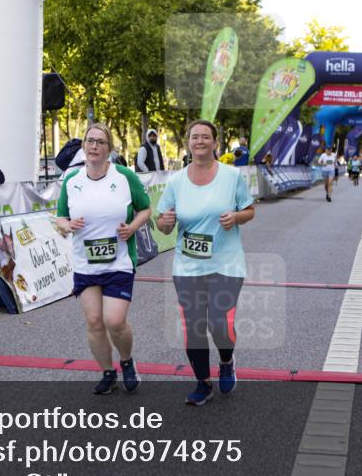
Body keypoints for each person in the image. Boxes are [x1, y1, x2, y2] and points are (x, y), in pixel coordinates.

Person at [156, 119, 255, 406]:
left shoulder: (231, 176)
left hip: (226, 264)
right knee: (194, 327)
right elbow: (162, 225)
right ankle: (203, 383)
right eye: (194, 137)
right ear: (188, 143)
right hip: (188, 267)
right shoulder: (176, 181)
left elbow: (250, 210)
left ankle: (226, 361)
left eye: (205, 137)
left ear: (215, 143)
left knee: (219, 325)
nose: (199, 141)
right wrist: (165, 221)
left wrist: (236, 217)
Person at [57, 123, 151, 395]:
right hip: (85, 264)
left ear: (109, 148)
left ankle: (127, 361)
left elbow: (145, 209)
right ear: (83, 146)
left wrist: (132, 228)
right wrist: (67, 225)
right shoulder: (72, 180)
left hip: (118, 262)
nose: (94, 146)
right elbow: (60, 217)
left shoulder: (123, 176)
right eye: (90, 141)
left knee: (115, 321)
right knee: (94, 322)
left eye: (100, 141)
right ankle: (108, 372)